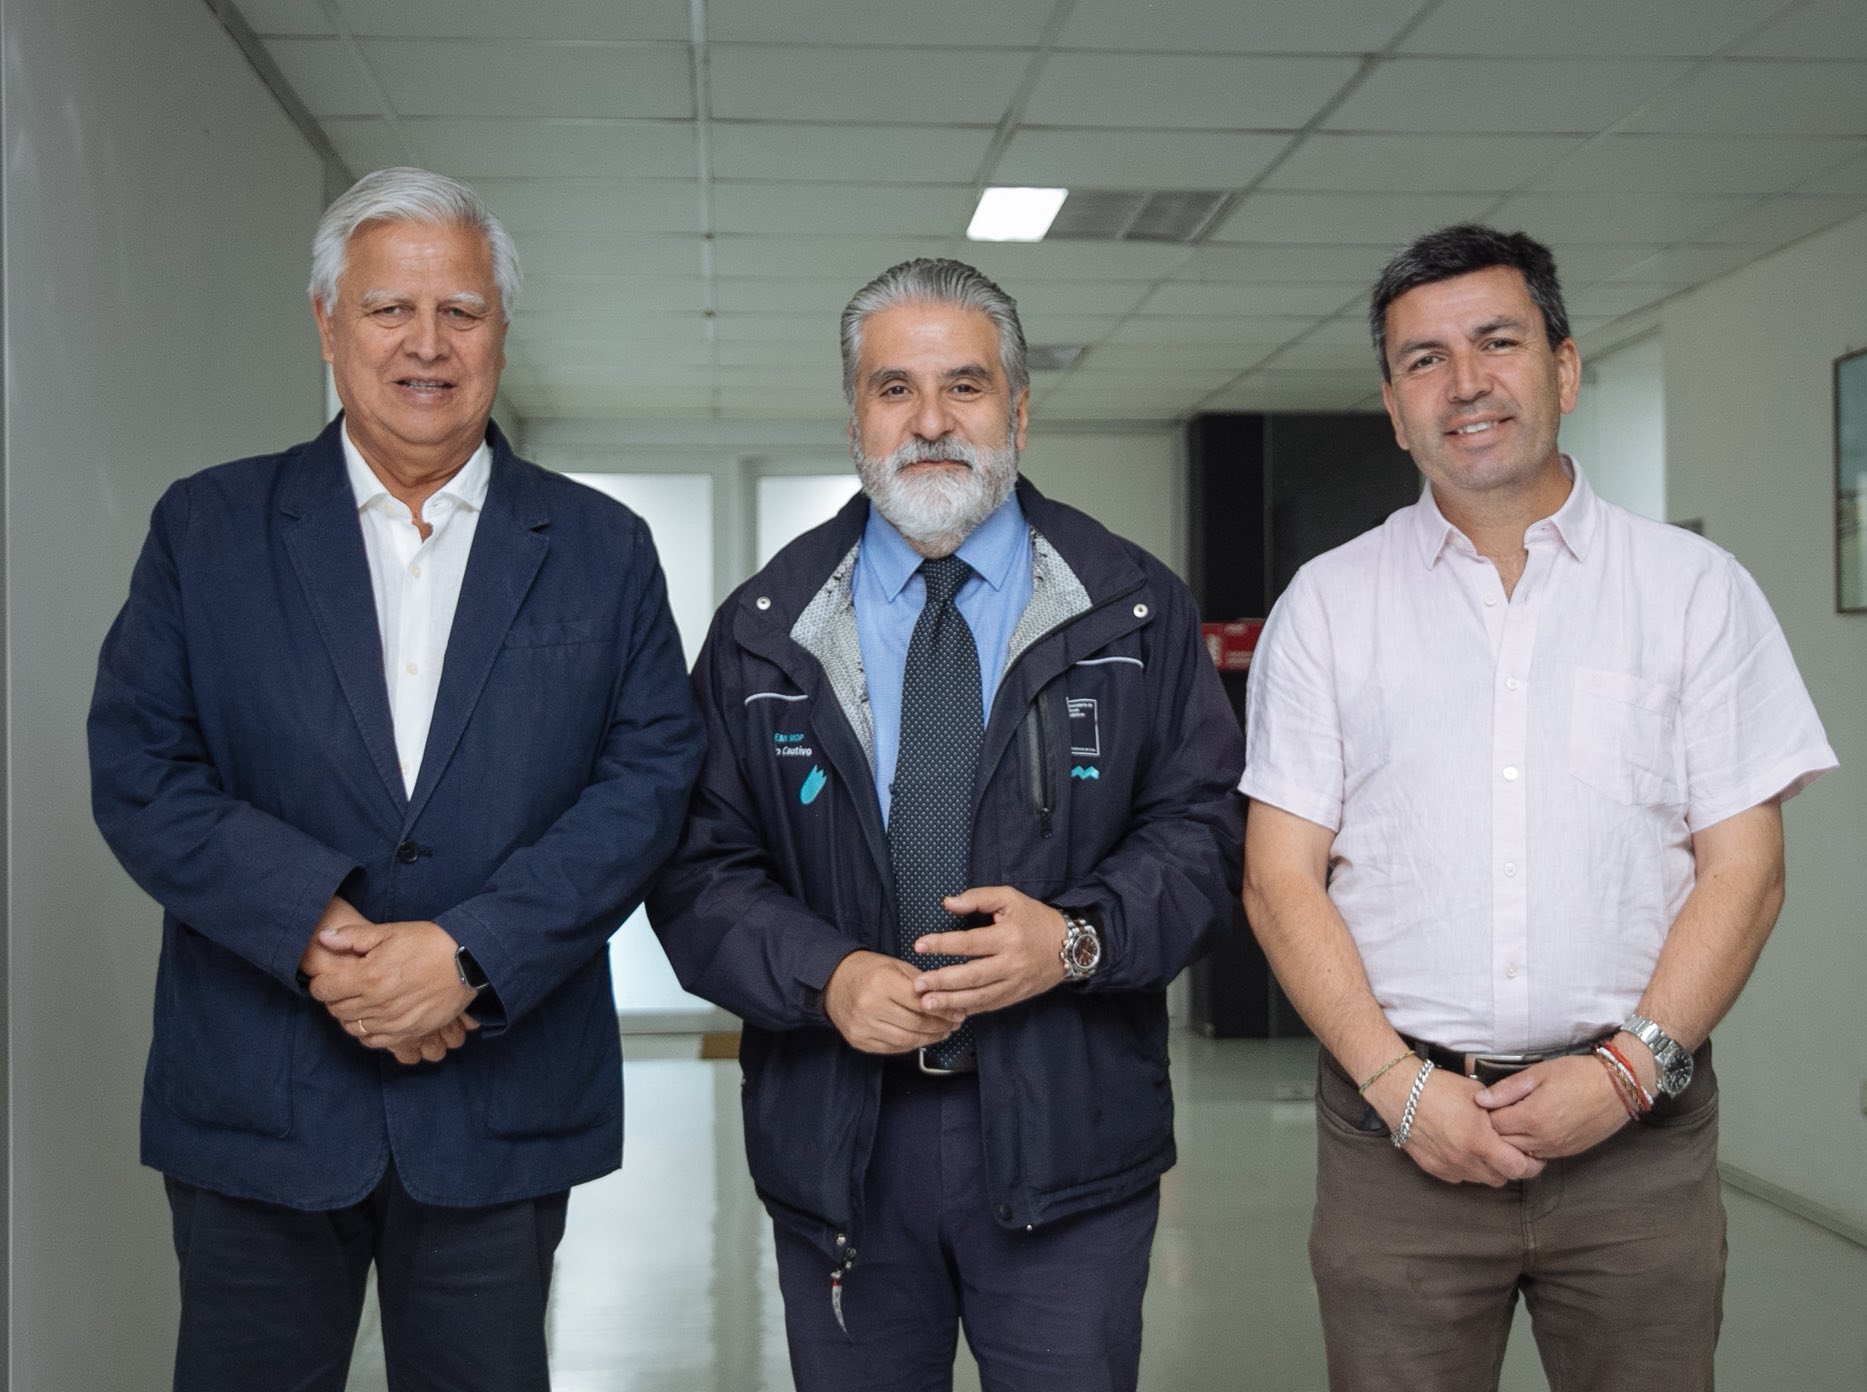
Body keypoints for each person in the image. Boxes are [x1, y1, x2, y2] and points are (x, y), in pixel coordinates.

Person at [87, 167, 701, 1392]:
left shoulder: (602, 549)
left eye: (460, 311)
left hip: (499, 1104)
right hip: (258, 1099)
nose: (427, 344)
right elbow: (141, 766)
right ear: (328, 323)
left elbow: (647, 784)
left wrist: (468, 955)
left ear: (500, 331)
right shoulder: (207, 530)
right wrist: (321, 937)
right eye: (388, 310)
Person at [1240, 223, 1838, 1391]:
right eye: (1422, 360)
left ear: (1562, 369)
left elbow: (1744, 872)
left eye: (1496, 343)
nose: (1463, 382)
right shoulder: (1327, 605)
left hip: (1637, 1146)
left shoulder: (1691, 592)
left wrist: (1624, 1074)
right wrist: (1399, 1089)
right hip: (1395, 1139)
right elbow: (1277, 878)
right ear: (1392, 408)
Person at [647, 258, 1243, 1391]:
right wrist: (825, 976)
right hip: (842, 1138)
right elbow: (693, 869)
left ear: (1017, 410)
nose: (930, 422)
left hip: (1069, 1131)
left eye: (965, 386)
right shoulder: (764, 630)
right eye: (895, 389)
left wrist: (1074, 940)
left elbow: (1206, 836)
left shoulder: (1130, 609)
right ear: (855, 419)